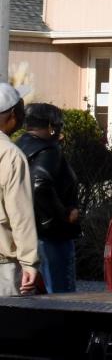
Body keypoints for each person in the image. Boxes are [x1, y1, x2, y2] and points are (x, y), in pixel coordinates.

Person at [16, 103, 80, 293]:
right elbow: (40, 184)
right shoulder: (49, 150)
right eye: (59, 124)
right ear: (51, 126)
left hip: (26, 231)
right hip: (52, 234)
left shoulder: (18, 146)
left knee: (33, 295)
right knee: (61, 295)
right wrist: (63, 214)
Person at [0, 83, 38, 296]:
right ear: (13, 114)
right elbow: (20, 214)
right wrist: (29, 262)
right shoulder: (10, 155)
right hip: (3, 265)